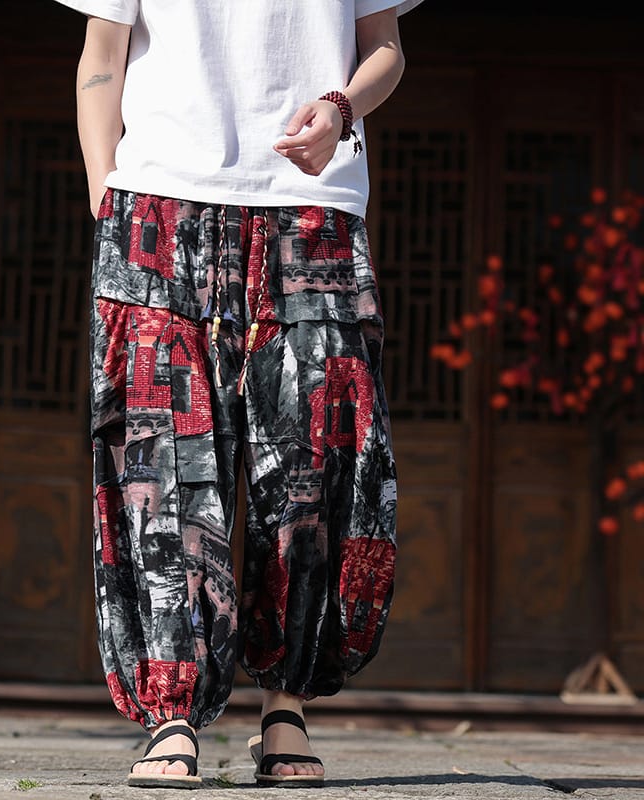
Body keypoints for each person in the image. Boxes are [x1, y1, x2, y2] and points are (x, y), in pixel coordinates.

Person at [54, 0, 424, 788]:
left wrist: (341, 107)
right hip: (158, 204)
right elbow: (101, 56)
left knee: (315, 463)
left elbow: (385, 47)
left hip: (312, 209)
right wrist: (104, 190)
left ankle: (286, 704)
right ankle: (172, 713)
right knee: (162, 464)